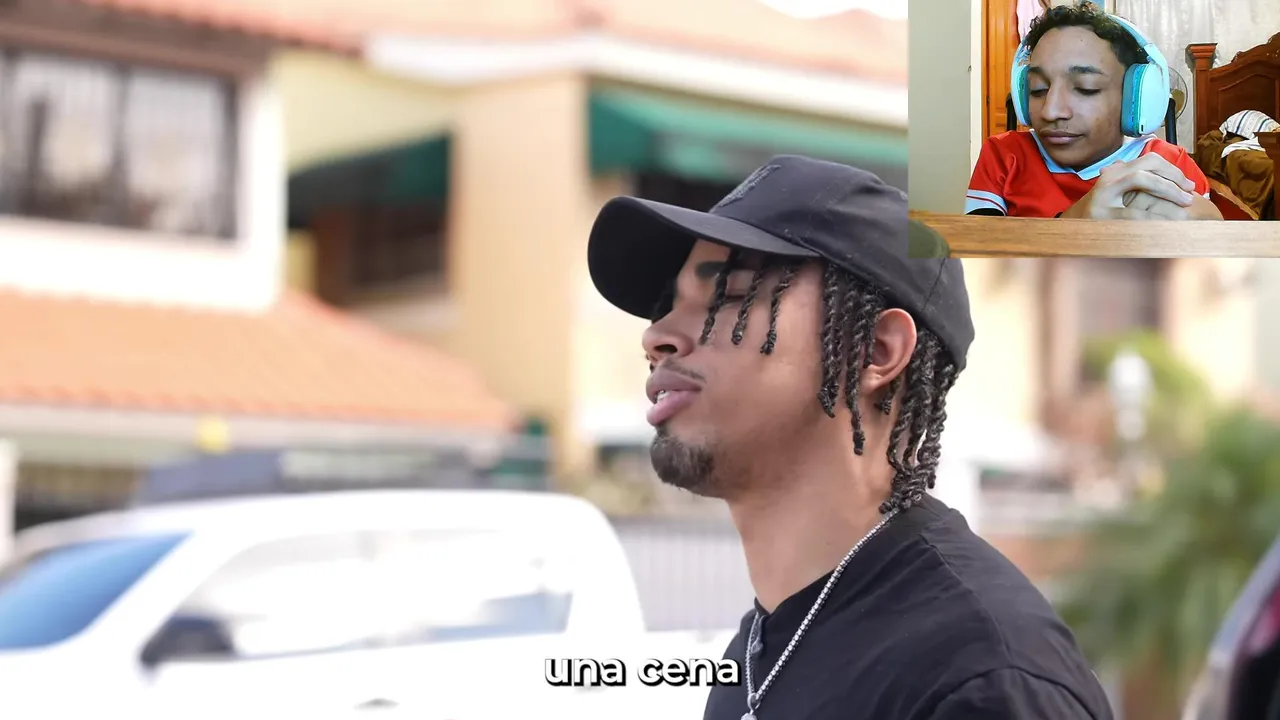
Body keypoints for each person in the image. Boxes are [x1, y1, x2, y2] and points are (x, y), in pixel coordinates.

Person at [587, 154, 1115, 719]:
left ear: (876, 351)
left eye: (728, 296)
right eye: (668, 306)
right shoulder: (762, 649)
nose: (658, 336)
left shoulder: (983, 679)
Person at [966, 1, 1222, 220]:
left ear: (1136, 98)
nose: (1050, 112)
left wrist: (1209, 225)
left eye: (1085, 88)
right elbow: (975, 254)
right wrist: (1073, 225)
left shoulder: (1169, 163)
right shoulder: (1003, 155)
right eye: (1038, 89)